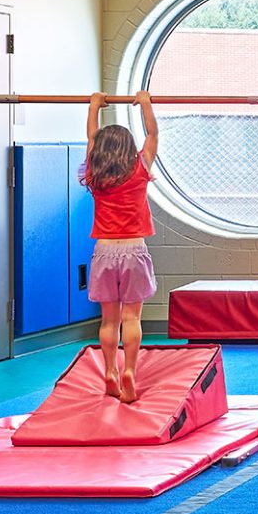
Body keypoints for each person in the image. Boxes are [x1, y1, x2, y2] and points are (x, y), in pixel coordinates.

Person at [82, 92, 159, 403]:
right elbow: (153, 133)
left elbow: (90, 135)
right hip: (133, 250)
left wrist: (93, 106)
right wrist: (144, 103)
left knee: (109, 320)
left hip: (104, 251)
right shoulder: (140, 167)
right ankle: (130, 370)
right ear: (130, 149)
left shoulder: (95, 171)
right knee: (132, 318)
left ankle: (110, 371)